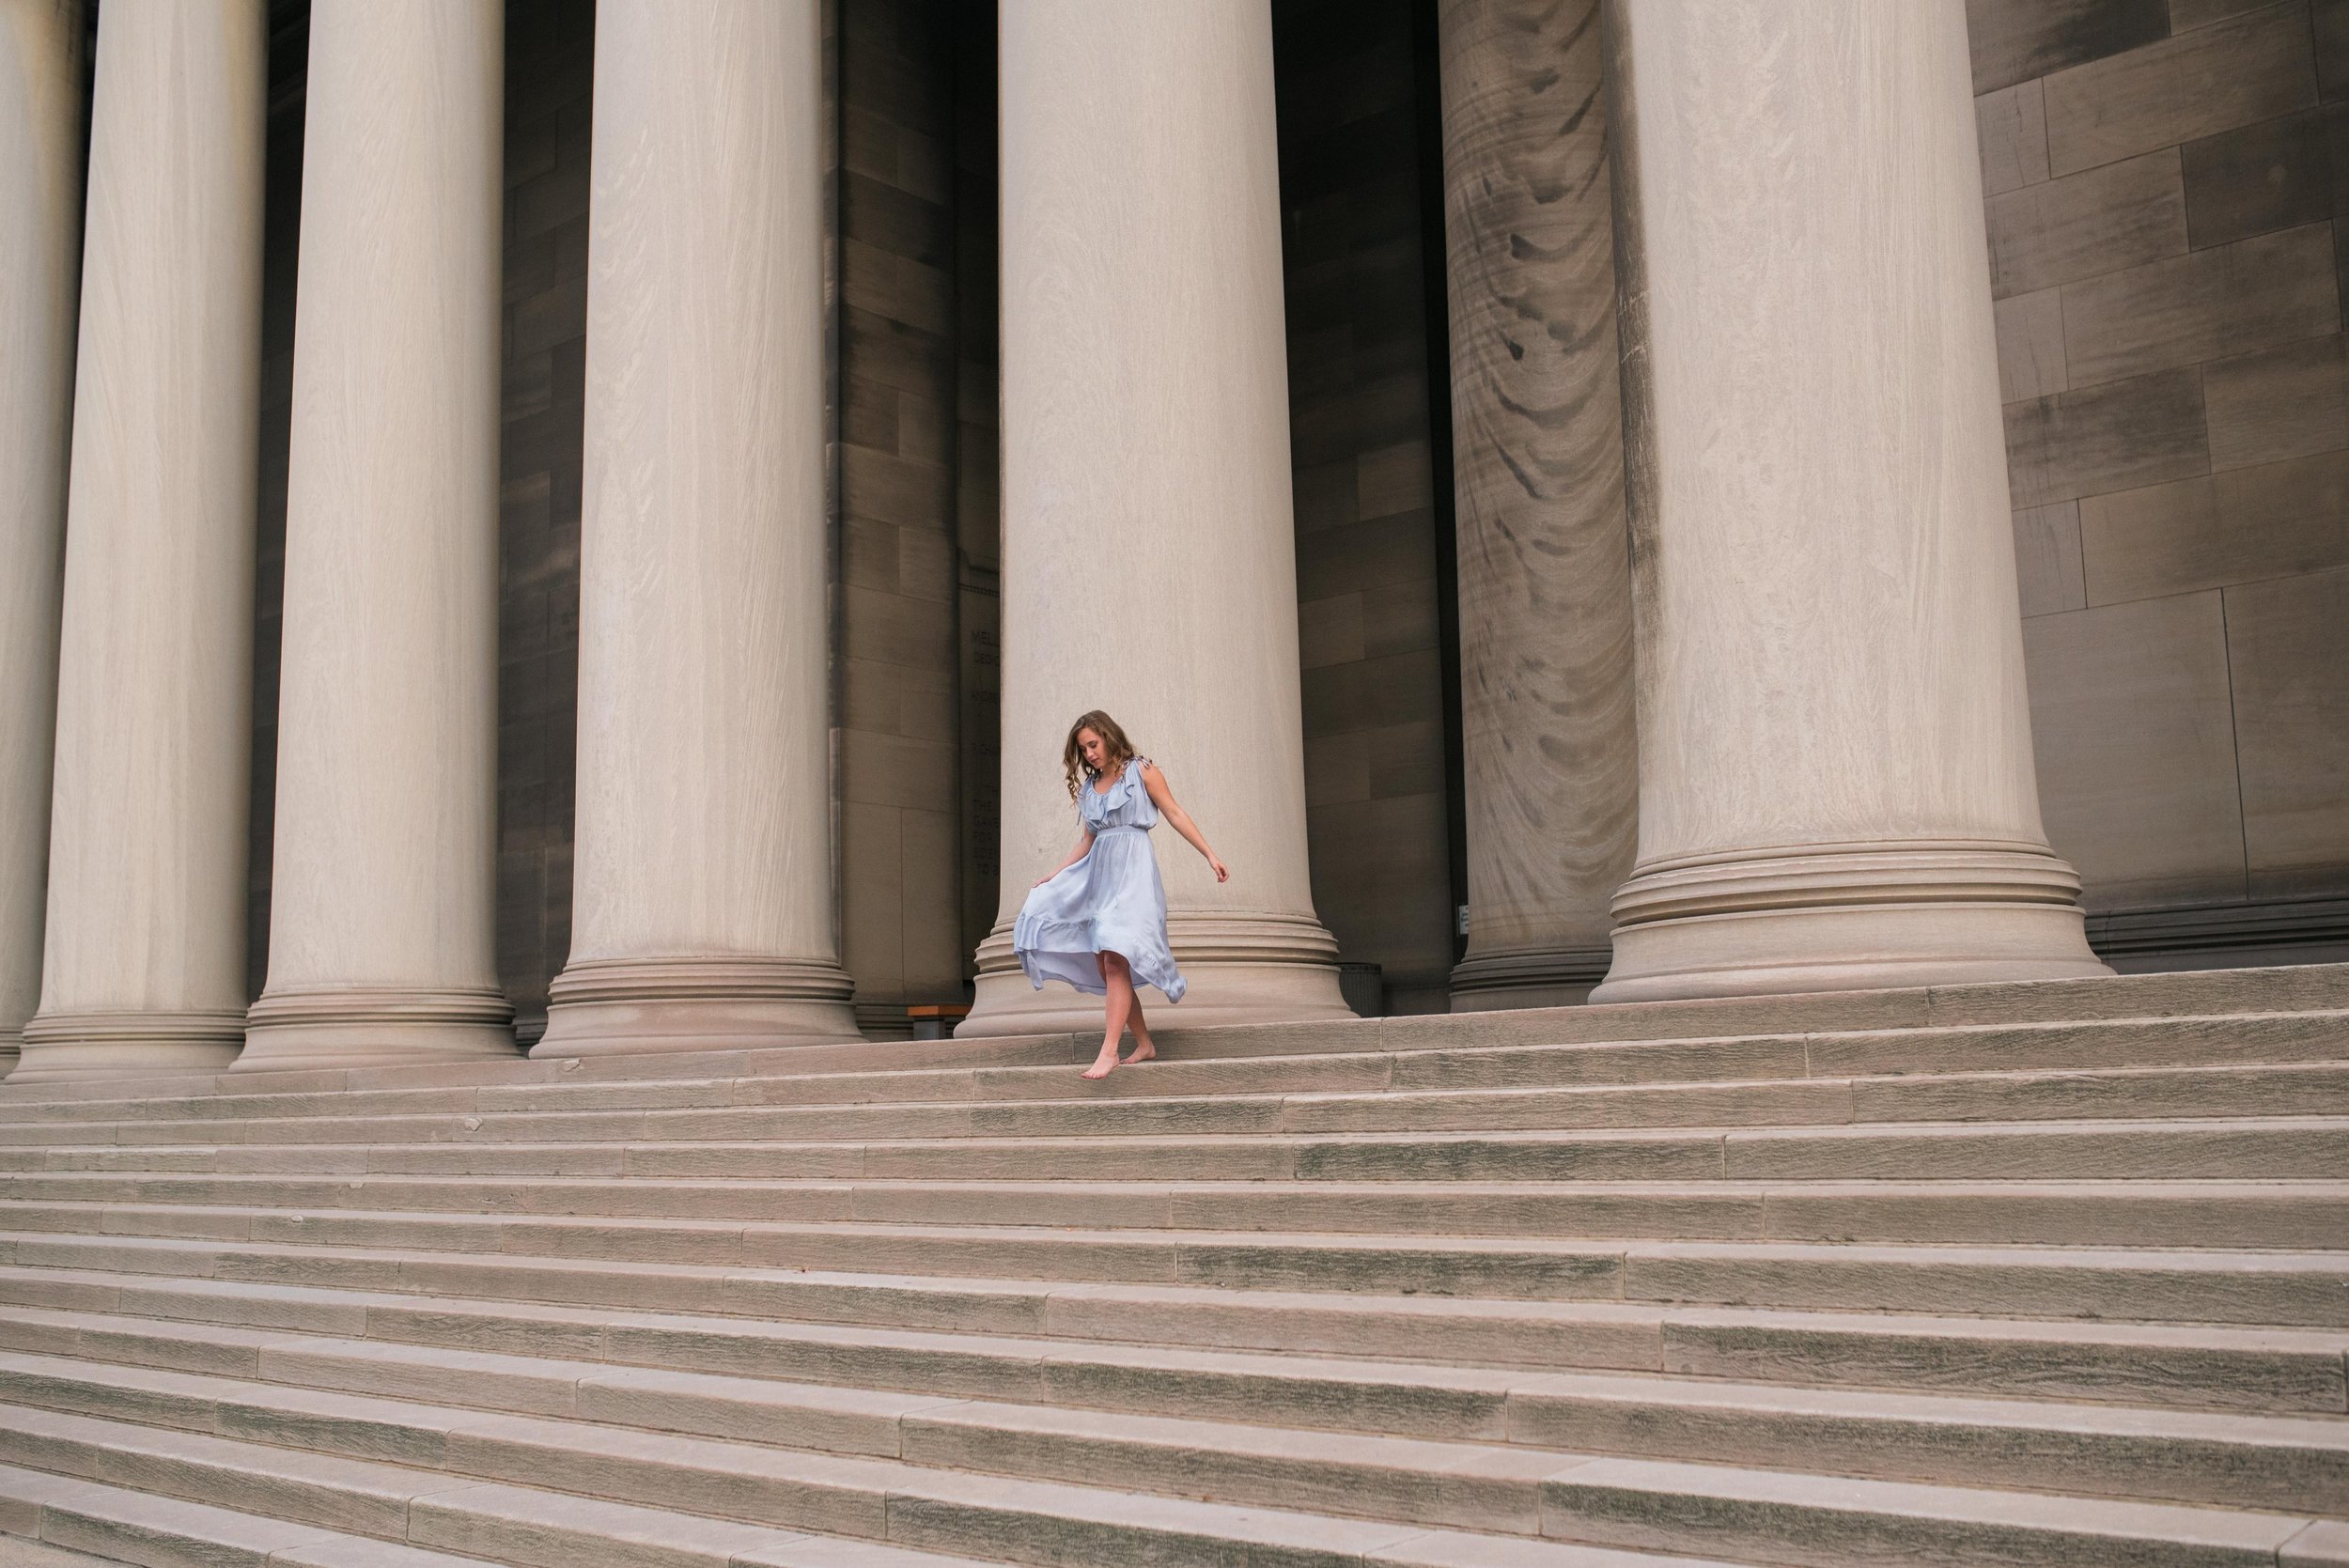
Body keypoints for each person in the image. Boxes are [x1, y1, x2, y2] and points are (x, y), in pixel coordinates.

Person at [1012, 709, 1228, 1079]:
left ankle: (1109, 1051)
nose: (1090, 754)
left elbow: (1174, 812)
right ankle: (1144, 1043)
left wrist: (1209, 854)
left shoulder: (1141, 771)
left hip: (1135, 877)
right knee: (1109, 965)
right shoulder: (1090, 790)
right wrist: (1056, 873)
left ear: (1109, 737)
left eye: (1093, 744)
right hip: (1100, 879)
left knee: (1114, 960)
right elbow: (1087, 841)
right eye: (1083, 750)